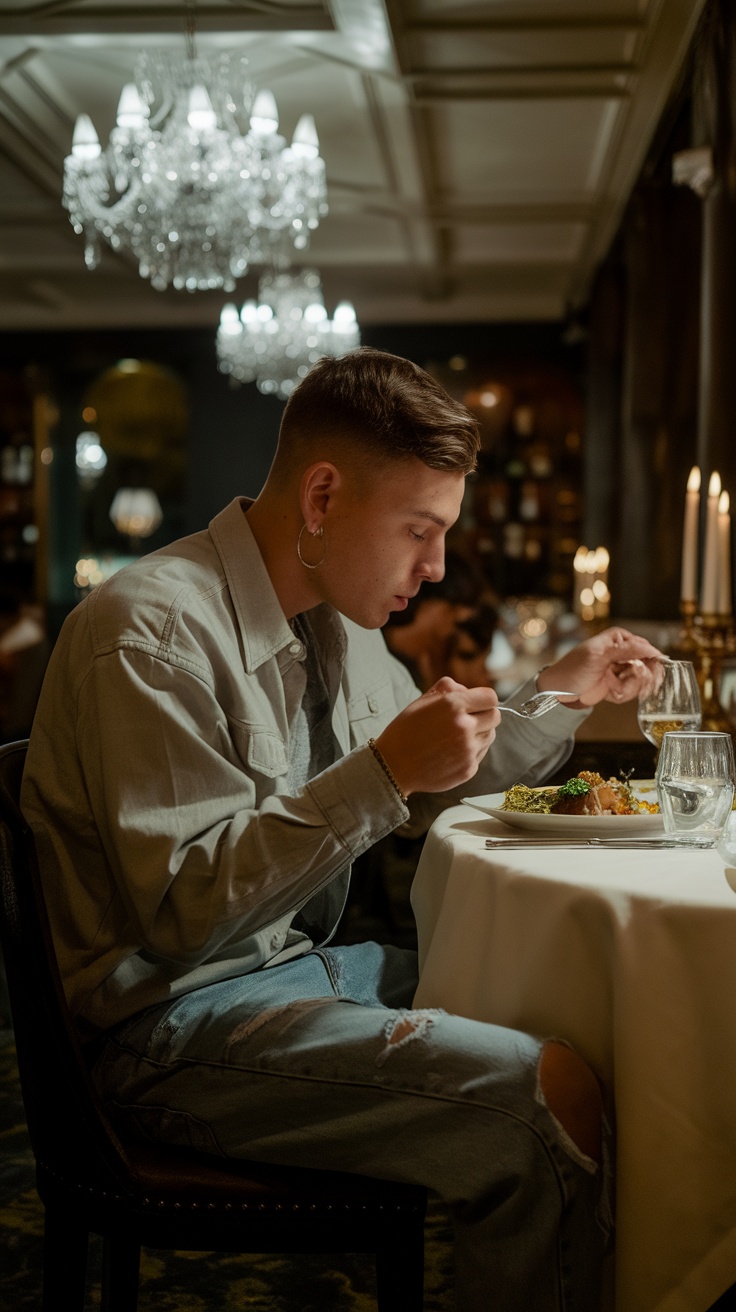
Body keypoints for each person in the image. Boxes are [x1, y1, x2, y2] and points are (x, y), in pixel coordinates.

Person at [22, 348, 664, 1311]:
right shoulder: (150, 631)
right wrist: (383, 772)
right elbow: (184, 916)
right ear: (322, 497)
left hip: (304, 972)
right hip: (160, 1030)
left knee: (595, 1017)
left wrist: (556, 695)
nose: (437, 566)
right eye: (420, 529)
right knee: (547, 1099)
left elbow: (438, 779)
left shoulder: (339, 624)